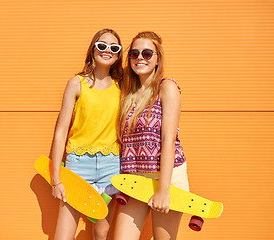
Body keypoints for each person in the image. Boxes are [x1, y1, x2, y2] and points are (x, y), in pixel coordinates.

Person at [113, 31, 189, 240]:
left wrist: (164, 190)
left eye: (147, 53)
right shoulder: (126, 92)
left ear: (157, 58)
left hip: (168, 177)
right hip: (138, 178)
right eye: (134, 53)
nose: (140, 57)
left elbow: (168, 141)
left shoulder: (167, 88)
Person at [50, 29, 123, 240]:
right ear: (93, 49)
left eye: (114, 48)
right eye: (101, 45)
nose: (107, 50)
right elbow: (61, 132)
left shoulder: (122, 87)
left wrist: (169, 85)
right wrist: (56, 180)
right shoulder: (76, 83)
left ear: (118, 56)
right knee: (63, 236)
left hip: (112, 166)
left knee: (101, 233)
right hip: (78, 165)